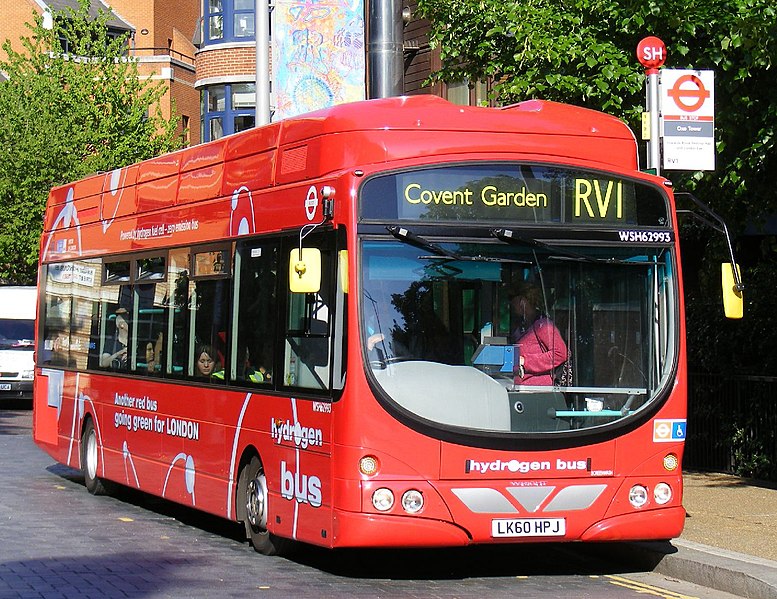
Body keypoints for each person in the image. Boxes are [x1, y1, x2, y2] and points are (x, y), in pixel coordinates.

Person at [509, 281, 567, 386]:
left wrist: (526, 361)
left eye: (513, 301)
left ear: (522, 301)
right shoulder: (523, 327)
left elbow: (560, 354)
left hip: (539, 391)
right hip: (521, 387)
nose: (511, 305)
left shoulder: (543, 326)